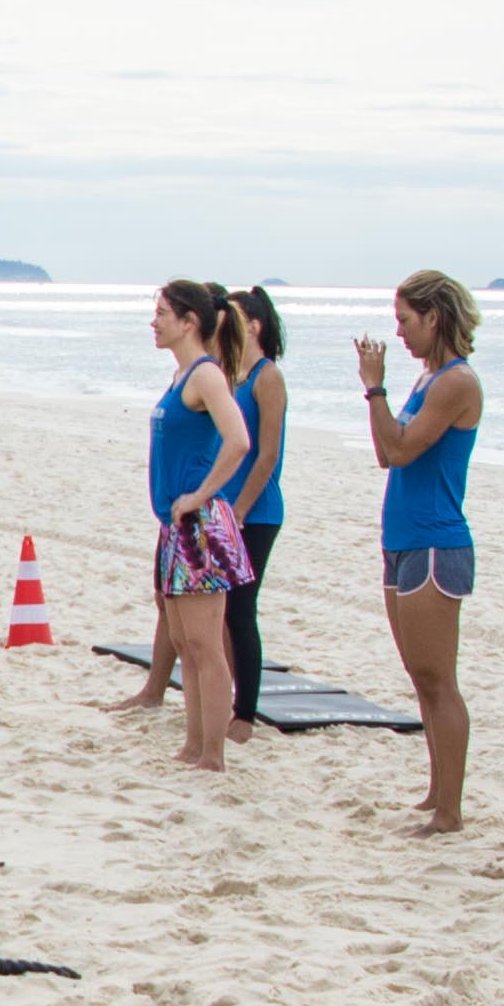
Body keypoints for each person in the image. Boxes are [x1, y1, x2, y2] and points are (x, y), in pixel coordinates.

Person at [354, 271, 483, 832]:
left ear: (435, 317)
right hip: (403, 538)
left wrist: (375, 387)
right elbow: (387, 453)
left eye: (405, 320)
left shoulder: (456, 381)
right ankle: (437, 793)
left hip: (435, 540)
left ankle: (451, 810)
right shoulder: (427, 379)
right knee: (420, 678)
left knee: (438, 679)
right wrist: (377, 394)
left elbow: (401, 449)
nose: (399, 332)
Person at [111, 280, 252, 774]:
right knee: (186, 642)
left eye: (162, 313)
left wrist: (200, 495)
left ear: (189, 320)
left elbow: (239, 441)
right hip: (177, 525)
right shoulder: (181, 377)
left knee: (206, 644)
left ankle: (212, 754)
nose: (154, 322)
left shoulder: (206, 375)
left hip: (200, 525)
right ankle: (194, 746)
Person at [221, 286, 291, 725]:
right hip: (226, 507)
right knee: (222, 612)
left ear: (254, 324)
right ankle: (228, 699)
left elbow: (267, 455)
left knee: (241, 611)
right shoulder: (231, 374)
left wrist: (241, 510)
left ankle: (245, 715)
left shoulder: (268, 377)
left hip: (257, 511)